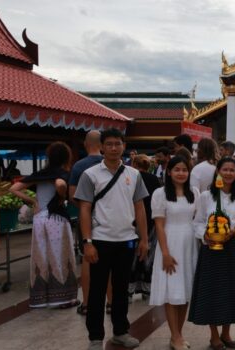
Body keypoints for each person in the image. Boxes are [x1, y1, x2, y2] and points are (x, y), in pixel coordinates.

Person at [75, 128, 149, 350]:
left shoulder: (134, 175)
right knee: (97, 291)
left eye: (118, 143)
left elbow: (140, 209)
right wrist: (87, 242)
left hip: (126, 240)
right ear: (102, 147)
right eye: (109, 144)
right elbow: (85, 209)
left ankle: (120, 332)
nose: (114, 148)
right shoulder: (90, 175)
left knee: (121, 290)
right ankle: (95, 337)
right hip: (99, 240)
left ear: (124, 146)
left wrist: (144, 239)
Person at [189, 157, 235, 350]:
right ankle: (214, 335)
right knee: (212, 290)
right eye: (224, 169)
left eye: (232, 170)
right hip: (211, 250)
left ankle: (226, 333)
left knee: (231, 291)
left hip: (233, 249)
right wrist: (205, 235)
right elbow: (197, 222)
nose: (228, 173)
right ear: (218, 171)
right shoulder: (205, 197)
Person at [9, 142, 79, 309]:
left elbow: (14, 188)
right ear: (66, 157)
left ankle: (41, 299)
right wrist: (62, 196)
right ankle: (62, 299)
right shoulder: (63, 173)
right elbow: (61, 184)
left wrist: (34, 201)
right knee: (60, 257)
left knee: (41, 257)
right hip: (57, 220)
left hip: (40, 219)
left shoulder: (40, 173)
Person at [149, 156, 200, 350]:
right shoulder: (160, 194)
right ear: (169, 172)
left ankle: (177, 334)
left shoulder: (194, 192)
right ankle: (175, 336)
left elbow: (198, 219)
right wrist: (165, 253)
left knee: (185, 291)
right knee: (172, 291)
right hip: (170, 243)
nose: (181, 173)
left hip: (190, 244)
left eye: (184, 170)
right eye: (177, 169)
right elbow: (159, 226)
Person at [68, 130, 106, 316]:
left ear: (85, 144)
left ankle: (87, 303)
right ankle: (111, 302)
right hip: (109, 219)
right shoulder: (112, 163)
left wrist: (87, 208)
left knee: (87, 259)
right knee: (111, 259)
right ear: (103, 144)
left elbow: (72, 195)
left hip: (86, 219)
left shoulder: (78, 166)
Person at [129, 155, 162, 300]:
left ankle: (129, 289)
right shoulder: (155, 180)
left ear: (135, 164)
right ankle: (146, 288)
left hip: (133, 221)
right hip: (151, 222)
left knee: (132, 255)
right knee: (148, 255)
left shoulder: (131, 177)